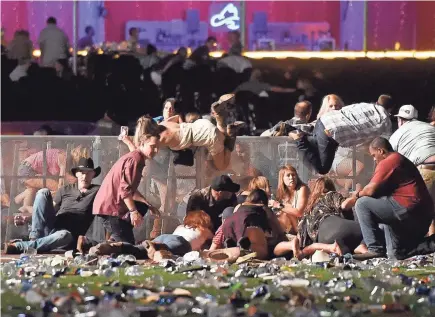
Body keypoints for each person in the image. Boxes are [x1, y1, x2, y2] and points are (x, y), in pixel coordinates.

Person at [351, 137, 434, 260]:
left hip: (409, 207)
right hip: (421, 214)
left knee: (362, 204)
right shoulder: (400, 160)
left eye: (374, 155)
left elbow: (370, 190)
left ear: (381, 151)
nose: (374, 159)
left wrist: (356, 195)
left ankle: (374, 249)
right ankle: (432, 243)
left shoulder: (390, 161)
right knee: (395, 255)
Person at [4, 158, 100, 254]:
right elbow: (49, 211)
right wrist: (27, 219)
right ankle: (34, 238)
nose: (85, 176)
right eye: (82, 172)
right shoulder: (65, 189)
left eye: (88, 173)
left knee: (64, 235)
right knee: (43, 192)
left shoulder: (97, 191)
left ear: (93, 174)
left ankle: (20, 246)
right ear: (77, 174)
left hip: (67, 236)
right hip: (51, 227)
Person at [132, 95, 245, 171]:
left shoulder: (158, 139)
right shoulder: (164, 123)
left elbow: (141, 151)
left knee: (222, 166)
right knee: (221, 135)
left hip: (206, 136)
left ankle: (231, 135)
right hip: (199, 125)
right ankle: (219, 116)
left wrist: (128, 141)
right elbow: (176, 117)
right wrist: (182, 126)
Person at [290, 94, 393, 174]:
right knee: (323, 169)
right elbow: (379, 146)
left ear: (377, 102)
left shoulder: (365, 105)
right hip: (331, 134)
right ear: (390, 110)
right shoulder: (386, 122)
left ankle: (300, 135)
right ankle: (300, 140)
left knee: (317, 145)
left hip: (323, 122)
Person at [92, 133, 161, 244]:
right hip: (111, 208)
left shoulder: (137, 157)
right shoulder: (135, 160)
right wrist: (133, 212)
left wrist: (149, 205)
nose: (156, 150)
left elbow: (130, 189)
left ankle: (117, 237)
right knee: (128, 248)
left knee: (142, 207)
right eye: (153, 146)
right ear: (142, 144)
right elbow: (125, 190)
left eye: (158, 147)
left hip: (113, 206)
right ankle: (88, 243)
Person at [274, 177, 366, 259]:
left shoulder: (307, 211)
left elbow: (301, 238)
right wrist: (357, 196)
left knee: (345, 253)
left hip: (325, 240)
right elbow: (345, 205)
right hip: (341, 226)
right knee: (371, 229)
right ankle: (361, 245)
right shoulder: (330, 194)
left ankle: (354, 248)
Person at [86, 210, 214, 260]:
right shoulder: (204, 230)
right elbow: (214, 240)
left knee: (138, 250)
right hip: (181, 242)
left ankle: (113, 246)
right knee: (166, 251)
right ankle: (156, 246)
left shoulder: (182, 227)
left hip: (165, 236)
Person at [389, 104, 435, 234]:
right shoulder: (429, 127)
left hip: (425, 170)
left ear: (400, 120)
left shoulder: (397, 135)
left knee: (420, 211)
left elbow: (390, 164)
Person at [14, 145, 89, 212]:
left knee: (31, 190)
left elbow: (68, 178)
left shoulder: (64, 155)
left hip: (26, 168)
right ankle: (45, 207)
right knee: (57, 188)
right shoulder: (64, 157)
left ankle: (15, 203)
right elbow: (61, 180)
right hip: (27, 169)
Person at [222, 189, 272, 260]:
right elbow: (271, 232)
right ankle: (247, 246)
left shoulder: (239, 206)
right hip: (247, 223)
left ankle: (235, 245)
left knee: (240, 237)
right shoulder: (263, 208)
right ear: (262, 201)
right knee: (264, 250)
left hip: (228, 223)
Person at [271, 165, 309, 233]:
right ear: (282, 178)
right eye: (288, 175)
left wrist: (278, 205)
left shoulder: (302, 189)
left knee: (286, 210)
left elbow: (299, 213)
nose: (291, 178)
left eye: (293, 175)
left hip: (302, 226)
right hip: (289, 226)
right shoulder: (281, 192)